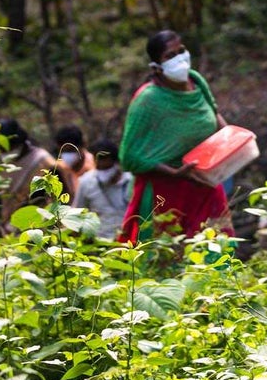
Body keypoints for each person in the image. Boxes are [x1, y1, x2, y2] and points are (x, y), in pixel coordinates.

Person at [118, 30, 234, 243]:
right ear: (156, 67)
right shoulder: (147, 100)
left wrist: (233, 143)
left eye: (181, 51)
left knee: (219, 245)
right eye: (170, 56)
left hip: (206, 180)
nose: (180, 58)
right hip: (165, 191)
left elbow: (214, 113)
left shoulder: (196, 80)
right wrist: (174, 173)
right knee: (167, 254)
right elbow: (129, 156)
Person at [0, 119, 65, 234]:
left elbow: (55, 196)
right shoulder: (0, 164)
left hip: (39, 226)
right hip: (6, 227)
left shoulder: (42, 162)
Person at [72, 139, 134, 240]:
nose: (100, 165)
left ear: (116, 162)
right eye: (97, 161)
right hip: (99, 242)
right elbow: (77, 214)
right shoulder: (86, 182)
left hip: (128, 240)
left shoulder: (131, 181)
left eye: (104, 160)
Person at [54, 124, 96, 197]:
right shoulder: (58, 169)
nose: (67, 155)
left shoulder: (94, 166)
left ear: (83, 145)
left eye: (71, 150)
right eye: (63, 151)